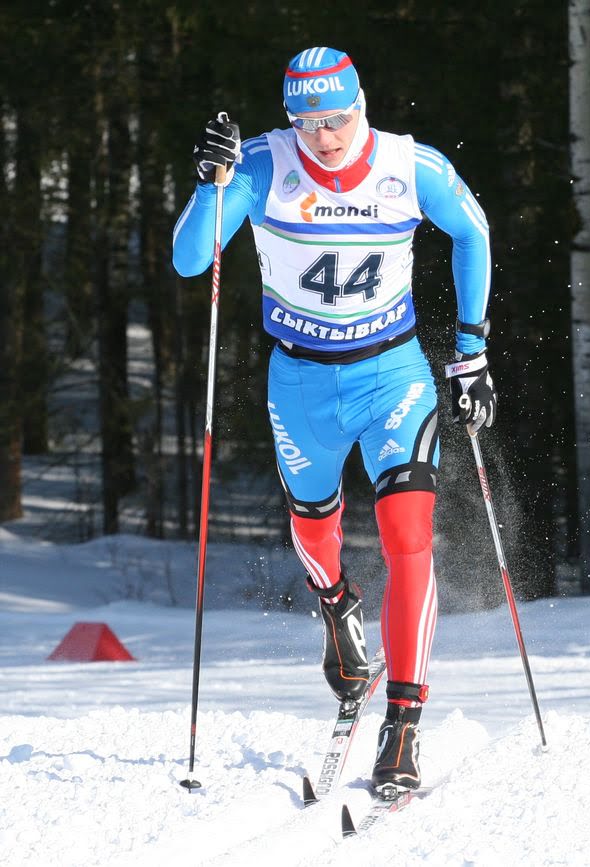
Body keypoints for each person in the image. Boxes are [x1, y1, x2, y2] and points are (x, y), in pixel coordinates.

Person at [172, 47, 496, 795]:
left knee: (408, 535)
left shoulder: (410, 166)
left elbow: (473, 233)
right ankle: (337, 602)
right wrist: (210, 184)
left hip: (392, 376)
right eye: (306, 122)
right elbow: (190, 261)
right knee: (315, 527)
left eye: (337, 119)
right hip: (300, 381)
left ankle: (403, 720)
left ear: (361, 105)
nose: (323, 137)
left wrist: (472, 351)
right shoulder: (261, 165)